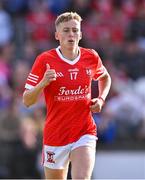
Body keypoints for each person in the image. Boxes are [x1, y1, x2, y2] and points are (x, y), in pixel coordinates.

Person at [23, 12, 111, 179]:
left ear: (80, 34)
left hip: (84, 131)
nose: (71, 34)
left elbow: (105, 77)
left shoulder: (91, 56)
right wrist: (43, 83)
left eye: (75, 30)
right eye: (66, 30)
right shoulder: (44, 60)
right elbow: (27, 100)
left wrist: (101, 99)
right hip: (55, 135)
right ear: (57, 35)